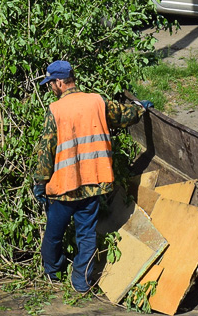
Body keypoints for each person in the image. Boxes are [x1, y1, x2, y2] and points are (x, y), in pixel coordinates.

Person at [31, 60, 150, 292]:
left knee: (54, 235)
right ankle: (81, 283)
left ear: (58, 82)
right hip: (93, 184)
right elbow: (124, 116)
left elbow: (46, 150)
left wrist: (40, 182)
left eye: (50, 84)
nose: (50, 88)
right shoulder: (97, 101)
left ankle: (52, 275)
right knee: (86, 236)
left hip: (64, 188)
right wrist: (141, 108)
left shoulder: (56, 110)